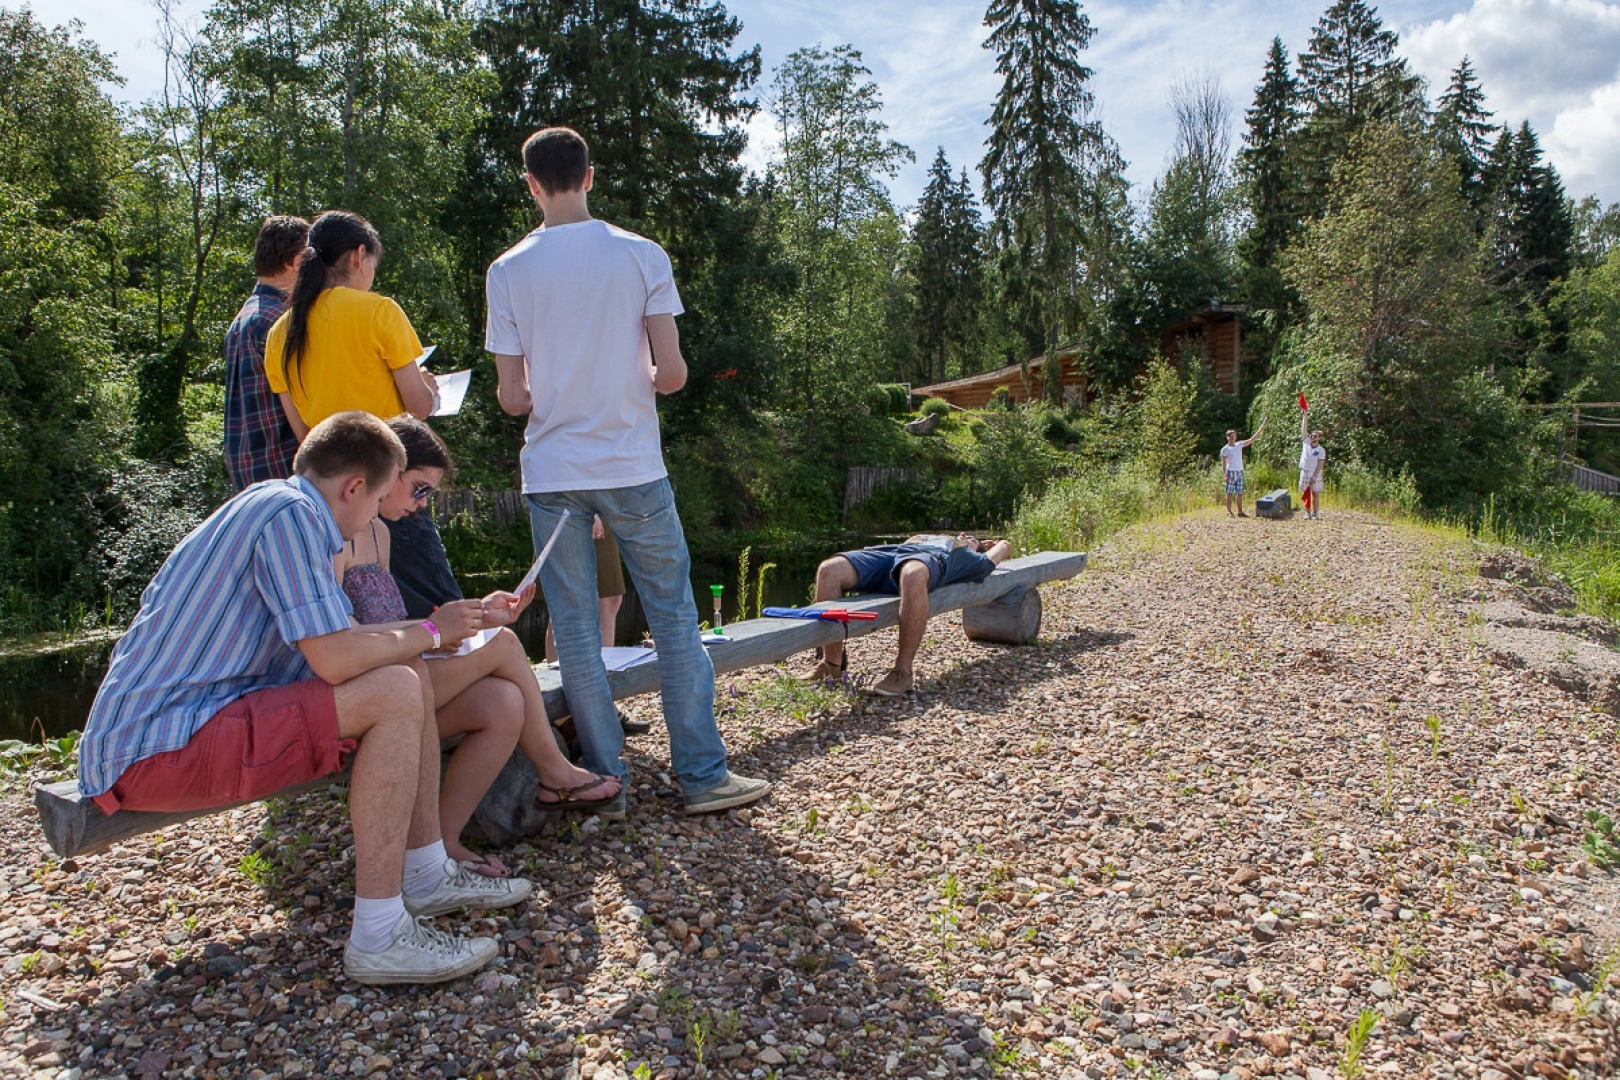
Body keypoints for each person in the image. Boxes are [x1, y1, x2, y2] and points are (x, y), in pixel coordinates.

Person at [77, 412, 529, 986]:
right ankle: (380, 936)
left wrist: (435, 630)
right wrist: (433, 632)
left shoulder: (282, 507)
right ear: (354, 487)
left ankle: (423, 873)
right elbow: (336, 660)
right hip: (160, 744)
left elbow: (351, 640)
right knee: (395, 687)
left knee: (404, 671)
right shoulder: (292, 519)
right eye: (381, 497)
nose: (375, 516)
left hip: (187, 726)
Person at [487, 126, 770, 819]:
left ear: (531, 184)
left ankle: (604, 782)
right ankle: (702, 777)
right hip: (630, 463)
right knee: (674, 617)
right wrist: (637, 373)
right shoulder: (641, 255)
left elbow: (512, 398)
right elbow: (671, 375)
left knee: (577, 630)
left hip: (553, 472)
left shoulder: (507, 271)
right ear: (589, 176)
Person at [337, 417, 622, 875]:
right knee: (506, 643)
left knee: (503, 703)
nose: (421, 503)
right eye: (418, 489)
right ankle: (554, 772)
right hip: (369, 696)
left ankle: (441, 846)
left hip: (408, 676)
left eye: (428, 493)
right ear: (384, 472)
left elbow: (396, 626)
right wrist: (439, 630)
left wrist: (470, 619)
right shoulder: (336, 532)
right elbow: (343, 641)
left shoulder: (381, 532)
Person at [264, 210, 439, 439]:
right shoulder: (380, 311)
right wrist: (429, 391)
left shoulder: (279, 332)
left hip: (323, 469)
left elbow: (303, 434)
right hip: (381, 461)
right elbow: (420, 407)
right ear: (360, 254)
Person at [806, 533, 1011, 697]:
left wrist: (996, 545)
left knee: (912, 574)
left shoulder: (969, 558)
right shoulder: (935, 537)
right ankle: (832, 665)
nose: (967, 536)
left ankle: (902, 672)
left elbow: (1002, 550)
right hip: (892, 554)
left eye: (973, 539)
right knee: (829, 570)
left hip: (927, 561)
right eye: (965, 535)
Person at [224, 215, 309, 490]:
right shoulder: (280, 321)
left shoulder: (245, 318)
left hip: (250, 473)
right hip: (283, 470)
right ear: (297, 262)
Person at [1219, 418, 1265, 518]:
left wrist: (1260, 430)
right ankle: (1229, 511)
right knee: (1229, 493)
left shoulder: (1239, 445)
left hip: (1239, 471)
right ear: (1227, 437)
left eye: (1234, 436)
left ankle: (1240, 512)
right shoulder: (1224, 450)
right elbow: (1223, 464)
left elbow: (1252, 439)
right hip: (1230, 472)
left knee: (1239, 493)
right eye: (1230, 436)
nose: (1232, 438)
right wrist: (1225, 475)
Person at [1300, 406, 1326, 519]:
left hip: (1315, 472)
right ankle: (1307, 512)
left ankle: (1315, 512)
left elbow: (1320, 464)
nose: (1312, 437)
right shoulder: (1306, 442)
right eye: (1312, 435)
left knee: (1315, 493)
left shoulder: (1320, 450)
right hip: (1305, 470)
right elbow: (1304, 429)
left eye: (1315, 436)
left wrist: (1315, 475)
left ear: (1319, 438)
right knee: (1306, 492)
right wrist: (1305, 415)